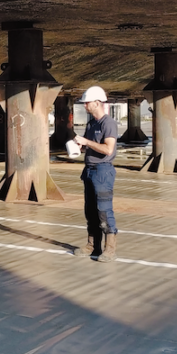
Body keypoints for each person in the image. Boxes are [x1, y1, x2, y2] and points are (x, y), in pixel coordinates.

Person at [72, 86, 118, 262]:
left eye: (87, 103)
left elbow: (108, 149)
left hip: (103, 171)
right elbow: (89, 144)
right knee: (90, 210)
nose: (85, 106)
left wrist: (86, 142)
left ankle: (110, 249)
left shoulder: (108, 124)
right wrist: (79, 146)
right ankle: (93, 245)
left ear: (97, 103)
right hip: (89, 170)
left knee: (104, 211)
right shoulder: (91, 124)